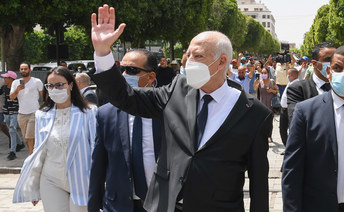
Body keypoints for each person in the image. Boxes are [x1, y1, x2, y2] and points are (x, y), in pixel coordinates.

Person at [91, 5, 272, 212]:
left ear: (222, 62)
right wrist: (103, 52)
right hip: (165, 205)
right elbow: (126, 98)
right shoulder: (177, 89)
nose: (189, 62)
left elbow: (259, 182)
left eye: (198, 56)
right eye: (189, 55)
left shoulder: (254, 113)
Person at [13, 66, 96, 211]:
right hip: (51, 179)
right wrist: (34, 185)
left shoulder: (89, 113)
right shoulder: (42, 115)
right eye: (50, 85)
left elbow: (96, 148)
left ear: (71, 85)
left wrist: (101, 183)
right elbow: (40, 151)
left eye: (59, 84)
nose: (54, 89)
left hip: (82, 180)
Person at [88, 49, 162, 212]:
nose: (124, 74)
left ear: (150, 77)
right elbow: (99, 164)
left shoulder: (167, 110)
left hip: (161, 203)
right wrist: (93, 206)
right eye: (122, 69)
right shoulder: (105, 114)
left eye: (132, 70)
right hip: (118, 204)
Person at [282, 45, 344, 212]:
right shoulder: (306, 111)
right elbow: (292, 171)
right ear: (329, 73)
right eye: (338, 68)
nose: (343, 74)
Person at [287, 42, 336, 122]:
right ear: (314, 64)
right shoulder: (298, 89)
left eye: (335, 59)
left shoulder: (340, 86)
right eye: (328, 60)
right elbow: (296, 123)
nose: (333, 64)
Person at [0, 71, 25, 160]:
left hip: (15, 111)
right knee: (11, 130)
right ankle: (20, 144)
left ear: (11, 79)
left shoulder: (18, 88)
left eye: (6, 78)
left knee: (12, 130)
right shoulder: (4, 87)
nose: (4, 79)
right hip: (6, 112)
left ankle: (12, 152)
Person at [10, 62, 43, 155]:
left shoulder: (37, 81)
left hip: (34, 112)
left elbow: (43, 95)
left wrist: (44, 108)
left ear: (30, 70)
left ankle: (31, 155)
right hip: (21, 114)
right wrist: (17, 89)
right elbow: (11, 97)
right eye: (21, 69)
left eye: (25, 68)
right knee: (26, 137)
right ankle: (34, 152)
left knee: (30, 135)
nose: (23, 70)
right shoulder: (15, 82)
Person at [254, 68, 279, 143]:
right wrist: (256, 83)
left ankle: (269, 136)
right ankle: (262, 135)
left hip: (271, 104)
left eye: (265, 73)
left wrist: (272, 91)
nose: (264, 74)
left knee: (269, 121)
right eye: (262, 73)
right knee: (261, 121)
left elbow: (277, 91)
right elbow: (255, 89)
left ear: (268, 73)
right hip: (262, 104)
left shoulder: (272, 82)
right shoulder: (259, 81)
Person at [279, 68, 299, 154]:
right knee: (282, 129)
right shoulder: (290, 82)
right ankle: (287, 147)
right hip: (283, 110)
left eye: (288, 75)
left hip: (290, 110)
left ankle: (292, 149)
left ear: (292, 76)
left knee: (292, 130)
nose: (287, 76)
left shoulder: (297, 84)